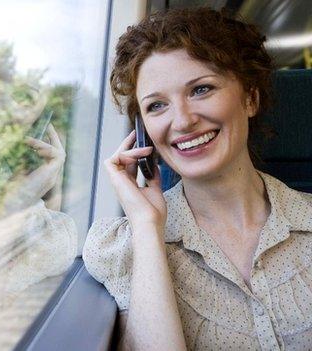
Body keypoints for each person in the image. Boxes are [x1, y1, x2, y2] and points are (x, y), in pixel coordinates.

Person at [82, 7, 312, 350]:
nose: (183, 121)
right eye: (157, 105)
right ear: (143, 132)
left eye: (201, 89)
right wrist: (147, 226)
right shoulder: (124, 247)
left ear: (249, 98)